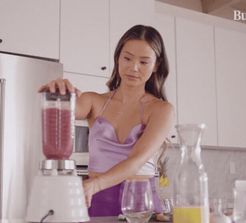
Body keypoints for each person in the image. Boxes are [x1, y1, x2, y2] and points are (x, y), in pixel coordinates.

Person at [38, 25, 174, 217]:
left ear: (156, 65)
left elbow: (135, 162)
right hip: (97, 203)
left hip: (142, 207)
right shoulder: (94, 101)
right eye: (127, 58)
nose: (133, 68)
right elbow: (60, 111)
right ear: (117, 57)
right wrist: (57, 93)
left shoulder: (161, 110)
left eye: (144, 62)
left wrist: (95, 184)